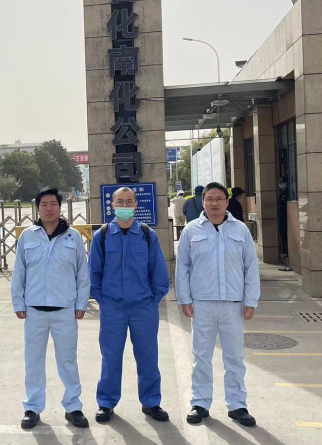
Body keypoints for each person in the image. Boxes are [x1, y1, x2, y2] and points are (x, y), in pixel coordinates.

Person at [176, 182, 260, 427]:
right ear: (203, 202)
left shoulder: (240, 229)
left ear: (227, 202)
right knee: (201, 356)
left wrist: (250, 300)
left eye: (219, 199)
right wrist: (184, 299)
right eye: (209, 199)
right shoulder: (191, 230)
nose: (214, 203)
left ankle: (237, 405)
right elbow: (183, 267)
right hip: (202, 303)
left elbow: (250, 267)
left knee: (234, 357)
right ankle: (200, 403)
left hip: (233, 304)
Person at [88, 187, 170, 423]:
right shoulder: (102, 235)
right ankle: (106, 402)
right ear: (112, 205)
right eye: (120, 202)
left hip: (143, 308)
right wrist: (102, 299)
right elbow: (93, 272)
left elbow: (158, 270)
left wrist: (154, 299)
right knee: (111, 357)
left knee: (148, 356)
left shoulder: (147, 234)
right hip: (112, 308)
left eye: (128, 201)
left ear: (136, 205)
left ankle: (151, 402)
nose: (124, 206)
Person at [11, 186, 91, 430]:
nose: (49, 209)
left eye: (53, 204)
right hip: (34, 311)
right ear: (37, 208)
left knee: (68, 360)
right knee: (33, 361)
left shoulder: (73, 237)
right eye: (44, 204)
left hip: (65, 310)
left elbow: (82, 273)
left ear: (59, 207)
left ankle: (73, 406)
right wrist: (18, 302)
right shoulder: (27, 236)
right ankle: (32, 407)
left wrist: (81, 303)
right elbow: (19, 272)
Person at [278, 177, 289, 259]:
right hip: (281, 217)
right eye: (280, 183)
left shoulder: (287, 193)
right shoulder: (282, 193)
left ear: (286, 183)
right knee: (282, 233)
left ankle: (286, 252)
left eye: (282, 183)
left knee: (285, 234)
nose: (281, 184)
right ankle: (285, 252)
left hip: (285, 217)